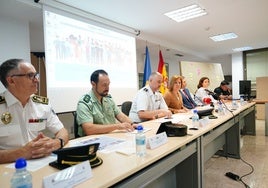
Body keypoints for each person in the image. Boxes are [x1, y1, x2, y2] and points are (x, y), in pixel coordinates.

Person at [0, 59, 69, 164]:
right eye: (30, 76)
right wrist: (21, 152)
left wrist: (56, 142)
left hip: (41, 162)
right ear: (11, 80)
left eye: (36, 75)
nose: (36, 80)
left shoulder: (42, 104)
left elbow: (62, 131)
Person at [76, 69, 134, 136]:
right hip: (93, 140)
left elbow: (121, 116)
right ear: (93, 84)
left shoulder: (108, 98)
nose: (107, 88)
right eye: (104, 85)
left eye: (108, 84)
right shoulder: (84, 103)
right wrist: (117, 126)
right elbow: (89, 129)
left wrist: (132, 124)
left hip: (110, 136)